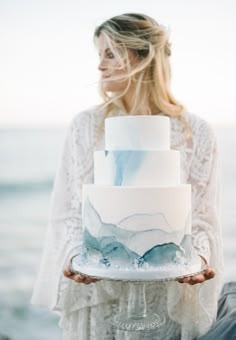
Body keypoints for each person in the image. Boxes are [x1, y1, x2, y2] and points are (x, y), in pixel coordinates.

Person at [31, 13, 224, 339]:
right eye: (99, 55)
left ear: (140, 56)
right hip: (101, 297)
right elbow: (69, 210)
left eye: (109, 53)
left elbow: (203, 216)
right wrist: (77, 256)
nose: (100, 66)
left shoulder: (198, 132)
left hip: (165, 301)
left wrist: (199, 257)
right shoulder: (85, 126)